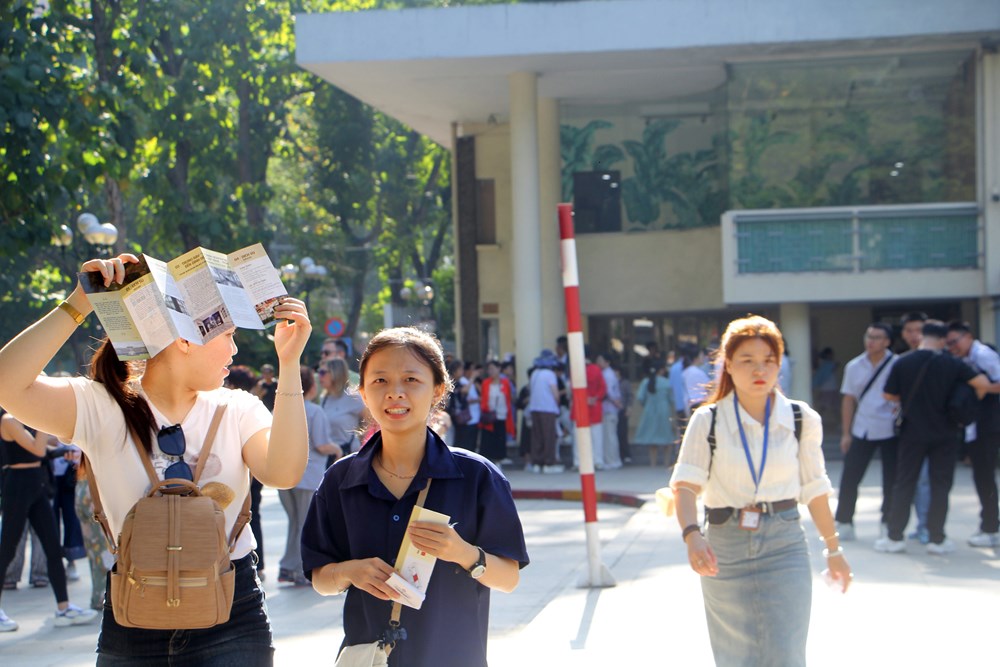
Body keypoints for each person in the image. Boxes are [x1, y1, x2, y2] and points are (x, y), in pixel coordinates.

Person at [0, 253, 312, 662]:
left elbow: (284, 473)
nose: (234, 351)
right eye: (227, 336)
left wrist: (290, 365)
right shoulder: (101, 405)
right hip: (132, 617)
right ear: (186, 338)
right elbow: (8, 384)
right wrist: (79, 303)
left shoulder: (237, 408)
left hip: (233, 615)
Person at [301, 327, 529, 667]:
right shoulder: (341, 480)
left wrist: (462, 552)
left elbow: (509, 577)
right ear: (362, 392)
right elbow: (321, 577)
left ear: (437, 390)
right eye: (380, 381)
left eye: (411, 379)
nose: (395, 393)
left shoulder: (477, 476)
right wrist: (350, 571)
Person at [671, 315, 851, 667]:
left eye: (769, 361)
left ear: (780, 365)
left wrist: (834, 548)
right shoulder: (707, 420)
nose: (760, 370)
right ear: (728, 366)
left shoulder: (801, 419)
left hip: (784, 543)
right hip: (724, 545)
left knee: (786, 654)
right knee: (735, 657)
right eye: (747, 361)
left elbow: (815, 491)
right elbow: (686, 485)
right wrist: (692, 535)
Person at [876, 320, 992, 555]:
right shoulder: (953, 364)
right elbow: (982, 384)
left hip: (912, 432)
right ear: (941, 340)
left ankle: (894, 536)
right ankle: (936, 539)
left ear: (922, 337)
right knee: (940, 485)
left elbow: (888, 394)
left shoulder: (903, 362)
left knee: (904, 482)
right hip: (946, 433)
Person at [0, 410, 97, 632]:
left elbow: (43, 450)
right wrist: (42, 423)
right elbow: (36, 448)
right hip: (17, 487)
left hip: (37, 485)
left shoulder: (26, 419)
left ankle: (64, 608)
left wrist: (63, 450)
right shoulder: (9, 421)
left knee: (53, 548)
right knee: (7, 549)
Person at [834, 323, 898, 541]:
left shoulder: (897, 364)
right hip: (863, 427)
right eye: (868, 336)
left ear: (887, 342)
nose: (871, 341)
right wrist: (846, 433)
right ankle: (844, 520)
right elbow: (848, 399)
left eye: (877, 337)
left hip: (891, 428)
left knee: (892, 479)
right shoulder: (854, 366)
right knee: (850, 476)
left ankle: (888, 522)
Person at [279, 366, 338, 586]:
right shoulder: (314, 411)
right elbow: (322, 445)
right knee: (304, 523)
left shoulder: (281, 409)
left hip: (284, 474)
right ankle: (296, 569)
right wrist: (338, 450)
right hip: (309, 472)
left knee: (294, 521)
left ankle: (288, 565)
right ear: (310, 386)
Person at [945, 321, 1000, 548]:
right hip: (978, 425)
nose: (952, 347)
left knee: (985, 476)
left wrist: (980, 386)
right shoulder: (963, 358)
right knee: (982, 476)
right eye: (948, 344)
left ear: (967, 337)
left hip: (990, 424)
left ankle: (990, 528)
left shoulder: (983, 354)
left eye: (954, 341)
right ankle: (989, 524)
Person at [899, 311, 931, 543]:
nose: (914, 335)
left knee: (925, 481)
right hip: (909, 432)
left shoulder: (938, 359)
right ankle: (922, 526)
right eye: (909, 330)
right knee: (916, 481)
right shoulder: (902, 361)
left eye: (919, 330)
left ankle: (927, 527)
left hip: (934, 433)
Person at [319, 358, 367, 466]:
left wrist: (362, 444)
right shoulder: (324, 398)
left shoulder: (353, 397)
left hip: (348, 456)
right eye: (319, 372)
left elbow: (369, 422)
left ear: (335, 373)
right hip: (328, 457)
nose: (320, 376)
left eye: (323, 372)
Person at [632, 361, 675, 467]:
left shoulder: (646, 382)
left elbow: (640, 397)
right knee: (667, 437)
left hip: (649, 410)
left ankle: (653, 463)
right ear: (661, 370)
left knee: (652, 437)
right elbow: (671, 398)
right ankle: (666, 462)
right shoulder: (666, 382)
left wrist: (647, 404)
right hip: (663, 410)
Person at [526, 350, 562, 473]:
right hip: (548, 409)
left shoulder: (534, 373)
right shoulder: (550, 374)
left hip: (534, 408)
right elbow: (555, 393)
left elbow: (530, 390)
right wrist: (558, 405)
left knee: (537, 437)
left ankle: (537, 463)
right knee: (549, 436)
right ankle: (549, 463)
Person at [478, 360, 515, 464]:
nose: (491, 371)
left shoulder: (505, 382)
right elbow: (484, 398)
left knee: (501, 435)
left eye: (493, 369)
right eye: (489, 369)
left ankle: (501, 456)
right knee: (488, 435)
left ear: (499, 369)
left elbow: (508, 397)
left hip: (502, 413)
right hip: (489, 414)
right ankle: (488, 457)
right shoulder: (486, 383)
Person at [597, 353, 623, 470]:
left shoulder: (607, 375)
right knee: (610, 436)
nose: (598, 363)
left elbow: (608, 392)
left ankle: (612, 461)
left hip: (609, 409)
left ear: (607, 362)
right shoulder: (608, 373)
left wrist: (615, 402)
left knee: (609, 436)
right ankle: (612, 460)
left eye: (600, 360)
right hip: (609, 409)